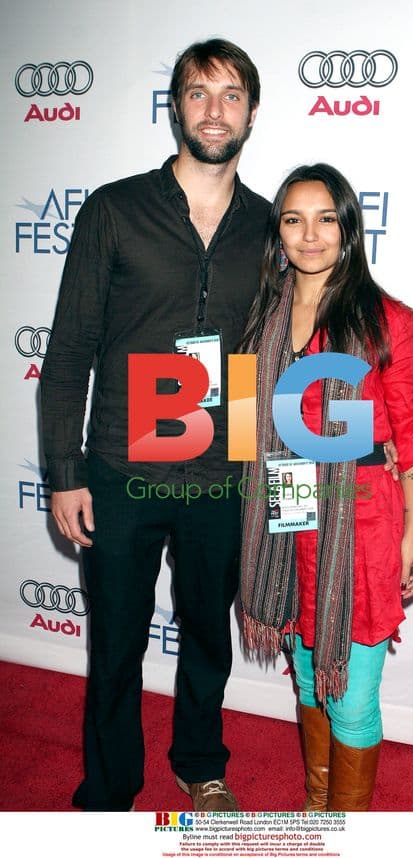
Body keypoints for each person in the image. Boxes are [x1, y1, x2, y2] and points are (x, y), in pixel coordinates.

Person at [40, 38, 271, 812]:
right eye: (199, 93)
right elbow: (70, 349)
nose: (215, 110)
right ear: (175, 105)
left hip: (221, 469)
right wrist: (64, 474)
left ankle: (200, 764)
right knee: (115, 642)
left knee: (208, 634)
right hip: (118, 466)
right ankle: (109, 787)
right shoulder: (115, 208)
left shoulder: (271, 226)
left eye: (231, 94)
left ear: (252, 111)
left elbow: (278, 353)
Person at [239, 164, 413, 812]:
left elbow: (409, 434)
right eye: (294, 219)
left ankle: (346, 829)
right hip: (290, 501)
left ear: (349, 228)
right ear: (280, 233)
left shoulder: (388, 320)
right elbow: (248, 426)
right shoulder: (262, 317)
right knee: (305, 668)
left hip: (364, 516)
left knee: (348, 689)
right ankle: (317, 804)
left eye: (326, 218)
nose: (311, 234)